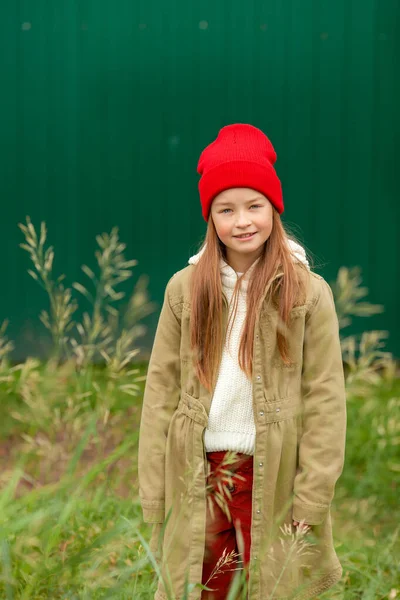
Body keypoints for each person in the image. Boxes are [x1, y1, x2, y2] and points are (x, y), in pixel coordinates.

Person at [138, 123, 347, 600]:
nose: (243, 221)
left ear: (274, 208)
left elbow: (326, 401)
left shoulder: (308, 294)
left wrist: (311, 495)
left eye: (254, 205)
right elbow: (159, 393)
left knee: (272, 586)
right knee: (203, 587)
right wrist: (155, 492)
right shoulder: (185, 290)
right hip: (200, 469)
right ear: (210, 217)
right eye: (226, 209)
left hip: (271, 472)